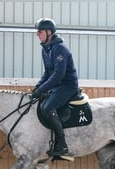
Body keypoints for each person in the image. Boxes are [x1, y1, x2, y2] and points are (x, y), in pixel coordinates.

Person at [32, 17, 79, 157]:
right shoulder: (45, 49)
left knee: (48, 108)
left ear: (49, 32)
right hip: (56, 87)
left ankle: (62, 144)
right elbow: (47, 72)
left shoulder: (59, 49)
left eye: (39, 32)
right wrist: (37, 87)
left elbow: (59, 74)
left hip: (67, 86)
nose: (37, 35)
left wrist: (42, 90)